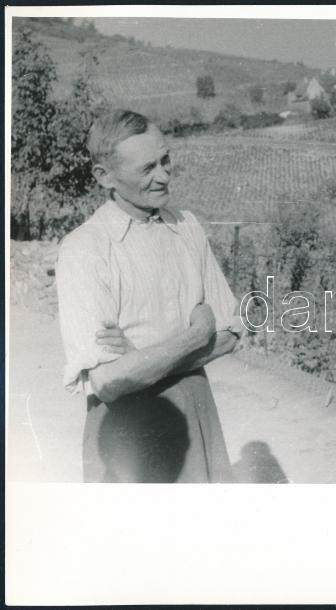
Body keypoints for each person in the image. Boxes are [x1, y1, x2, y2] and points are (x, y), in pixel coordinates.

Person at [57, 109, 243, 483]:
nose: (163, 175)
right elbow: (108, 383)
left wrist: (140, 356)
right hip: (127, 433)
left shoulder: (186, 226)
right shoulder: (85, 249)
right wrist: (194, 335)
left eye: (165, 160)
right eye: (147, 169)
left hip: (196, 413)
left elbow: (232, 333)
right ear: (104, 176)